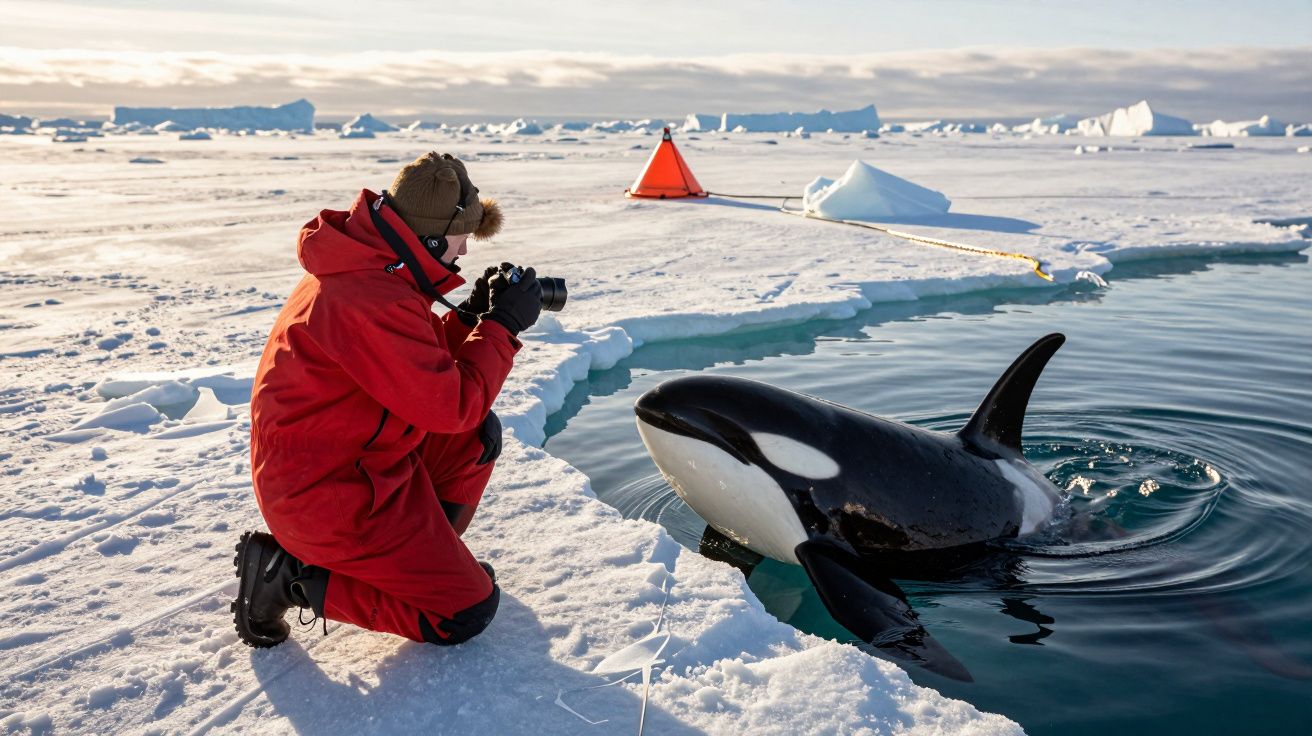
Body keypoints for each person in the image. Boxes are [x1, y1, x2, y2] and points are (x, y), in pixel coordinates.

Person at [234, 152, 543, 648]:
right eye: (463, 238)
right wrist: (503, 328)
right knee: (464, 612)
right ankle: (287, 576)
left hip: (351, 469)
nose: (465, 252)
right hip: (327, 499)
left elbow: (406, 366)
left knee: (475, 437)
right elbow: (451, 404)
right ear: (433, 238)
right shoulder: (370, 296)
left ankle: (426, 565)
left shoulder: (370, 267)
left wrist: (468, 317)